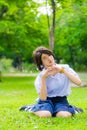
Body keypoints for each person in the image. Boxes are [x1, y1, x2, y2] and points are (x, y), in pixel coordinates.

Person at [19, 46, 83, 117]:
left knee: (64, 115)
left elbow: (79, 83)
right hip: (46, 101)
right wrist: (44, 78)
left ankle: (71, 109)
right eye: (44, 58)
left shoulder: (65, 68)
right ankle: (30, 108)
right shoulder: (41, 77)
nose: (49, 59)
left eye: (49, 55)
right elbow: (43, 98)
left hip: (61, 100)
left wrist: (63, 71)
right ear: (41, 63)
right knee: (46, 115)